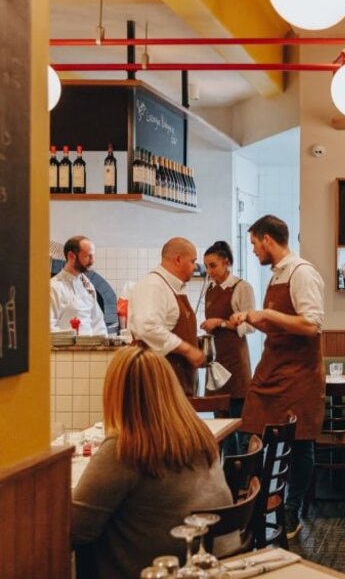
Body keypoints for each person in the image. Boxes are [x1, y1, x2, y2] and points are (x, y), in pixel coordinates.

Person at [71, 346, 233, 579]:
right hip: (221, 563)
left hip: (163, 569)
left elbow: (76, 530)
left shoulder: (125, 448)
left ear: (115, 393)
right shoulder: (198, 434)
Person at [229, 214, 325, 539]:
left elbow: (311, 325)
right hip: (272, 369)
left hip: (299, 373)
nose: (254, 251)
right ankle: (252, 505)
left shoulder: (302, 273)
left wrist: (267, 314)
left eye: (255, 244)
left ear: (268, 240)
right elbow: (283, 323)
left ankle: (290, 511)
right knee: (249, 431)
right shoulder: (276, 275)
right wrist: (254, 320)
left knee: (300, 443)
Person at [128, 237, 205, 394]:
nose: (195, 266)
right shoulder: (153, 285)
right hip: (159, 378)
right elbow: (148, 327)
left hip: (177, 378)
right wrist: (187, 349)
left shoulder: (173, 287)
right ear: (178, 259)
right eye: (192, 261)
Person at [199, 241, 256, 449]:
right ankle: (223, 474)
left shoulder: (241, 288)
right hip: (216, 361)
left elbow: (251, 326)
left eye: (213, 266)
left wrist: (221, 323)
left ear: (226, 263)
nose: (209, 271)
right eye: (206, 266)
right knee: (219, 425)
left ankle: (243, 473)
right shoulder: (210, 290)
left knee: (239, 422)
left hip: (235, 362)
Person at [49, 236, 107, 335]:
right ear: (71, 256)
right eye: (87, 256)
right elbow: (47, 327)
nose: (92, 261)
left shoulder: (88, 286)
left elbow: (98, 323)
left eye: (93, 256)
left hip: (92, 349)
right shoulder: (53, 287)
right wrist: (74, 337)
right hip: (66, 350)